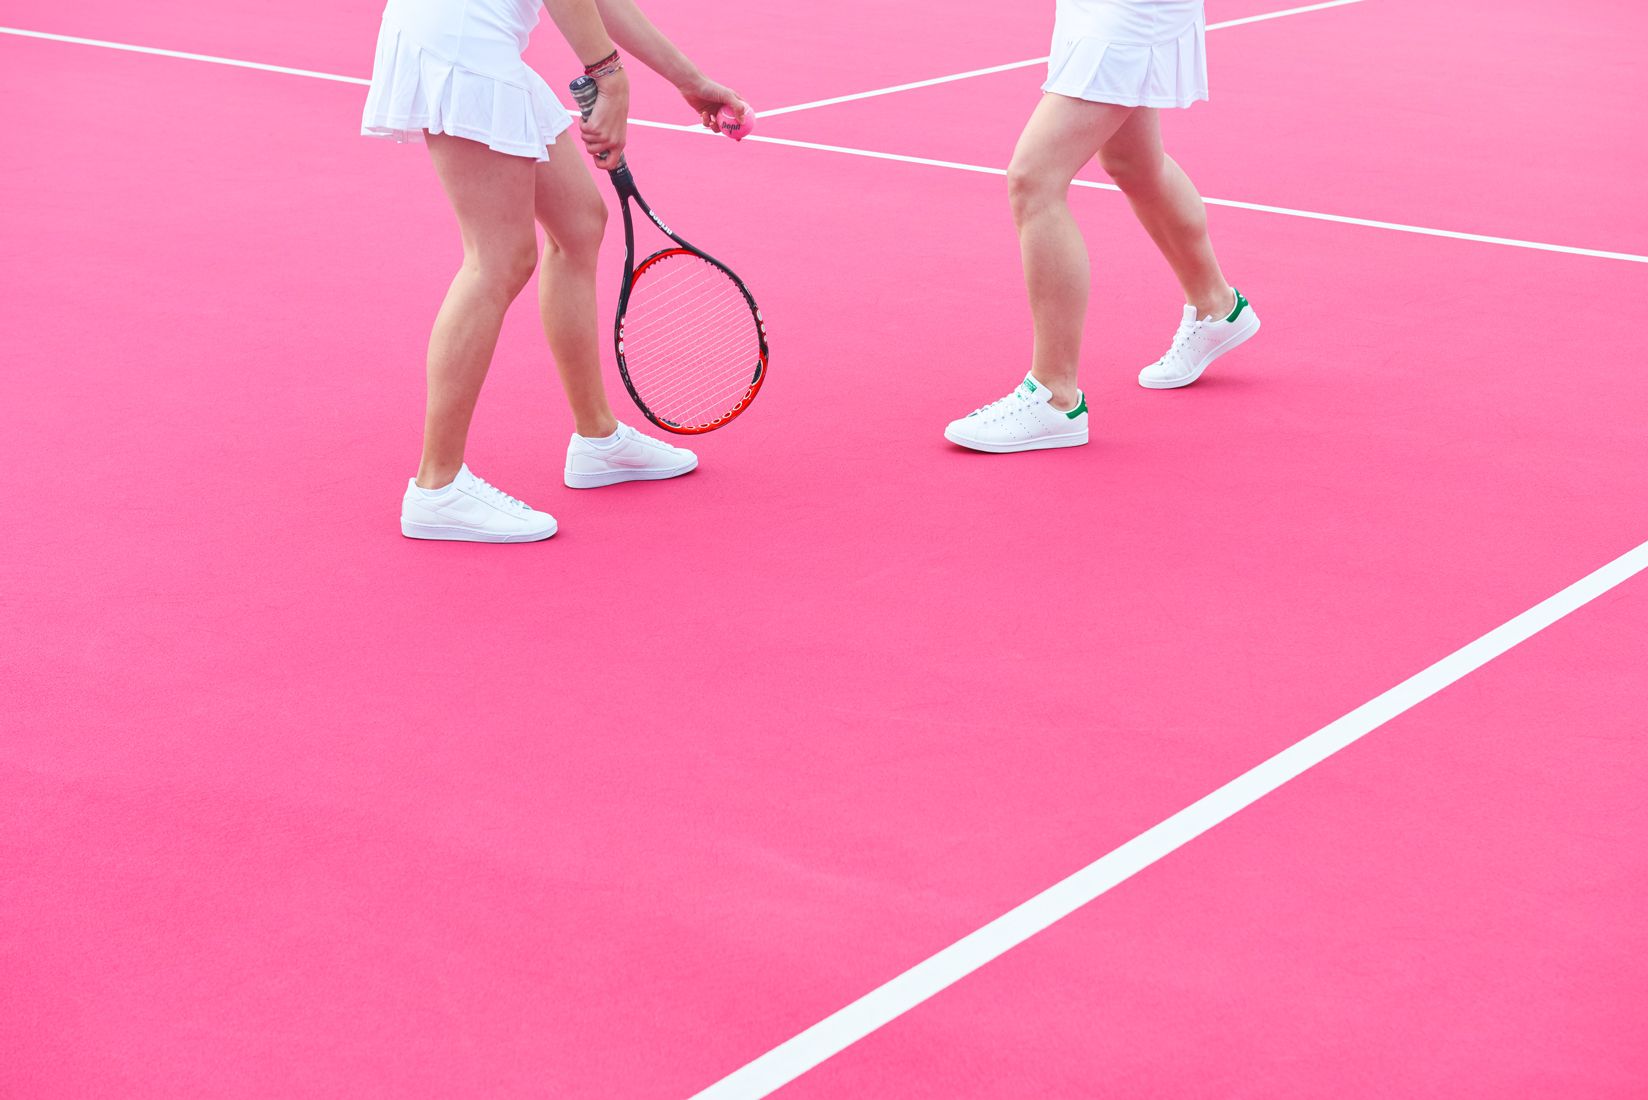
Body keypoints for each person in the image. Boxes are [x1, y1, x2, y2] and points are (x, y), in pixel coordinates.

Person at [362, 0, 748, 541]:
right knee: (497, 258)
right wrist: (609, 78)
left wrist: (690, 80)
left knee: (579, 226)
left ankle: (599, 441)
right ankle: (437, 487)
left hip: (475, 36)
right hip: (461, 38)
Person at [944, 0, 1259, 454]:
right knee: (1135, 164)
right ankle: (1217, 307)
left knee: (1035, 180)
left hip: (1129, 12)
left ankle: (1055, 398)